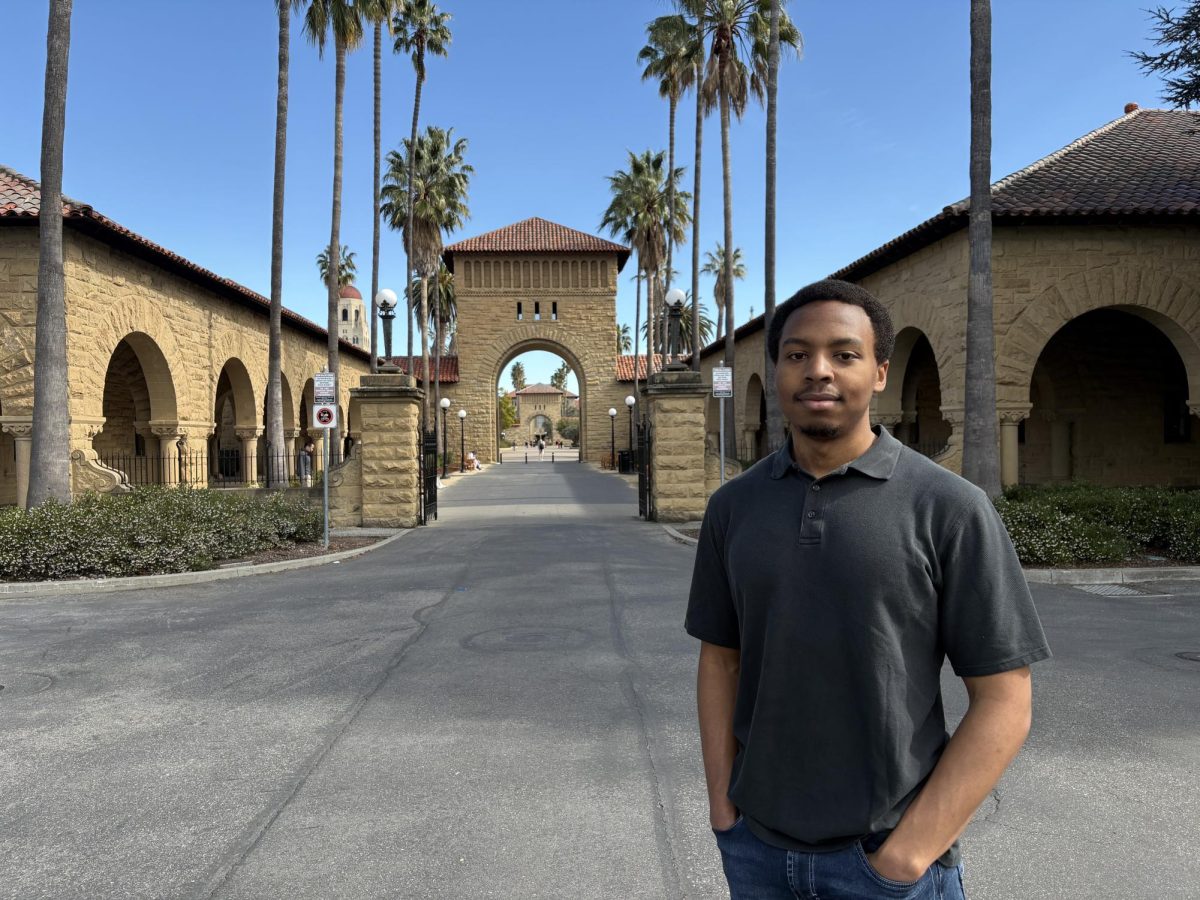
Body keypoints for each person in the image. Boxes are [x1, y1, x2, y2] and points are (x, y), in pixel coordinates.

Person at [686, 279, 1050, 899]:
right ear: (776, 371)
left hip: (889, 861)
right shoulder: (733, 507)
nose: (818, 371)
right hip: (758, 854)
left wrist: (906, 857)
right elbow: (720, 662)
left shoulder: (949, 508)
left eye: (844, 354)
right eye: (797, 354)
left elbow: (1005, 701)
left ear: (880, 372)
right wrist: (725, 812)